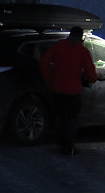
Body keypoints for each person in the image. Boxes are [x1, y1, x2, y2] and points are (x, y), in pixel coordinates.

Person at [40, 26, 101, 155]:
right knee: (72, 119)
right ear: (81, 37)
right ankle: (68, 145)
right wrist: (93, 78)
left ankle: (59, 140)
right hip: (73, 91)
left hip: (56, 88)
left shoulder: (59, 46)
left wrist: (48, 79)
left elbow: (45, 61)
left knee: (60, 116)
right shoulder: (82, 51)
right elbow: (91, 74)